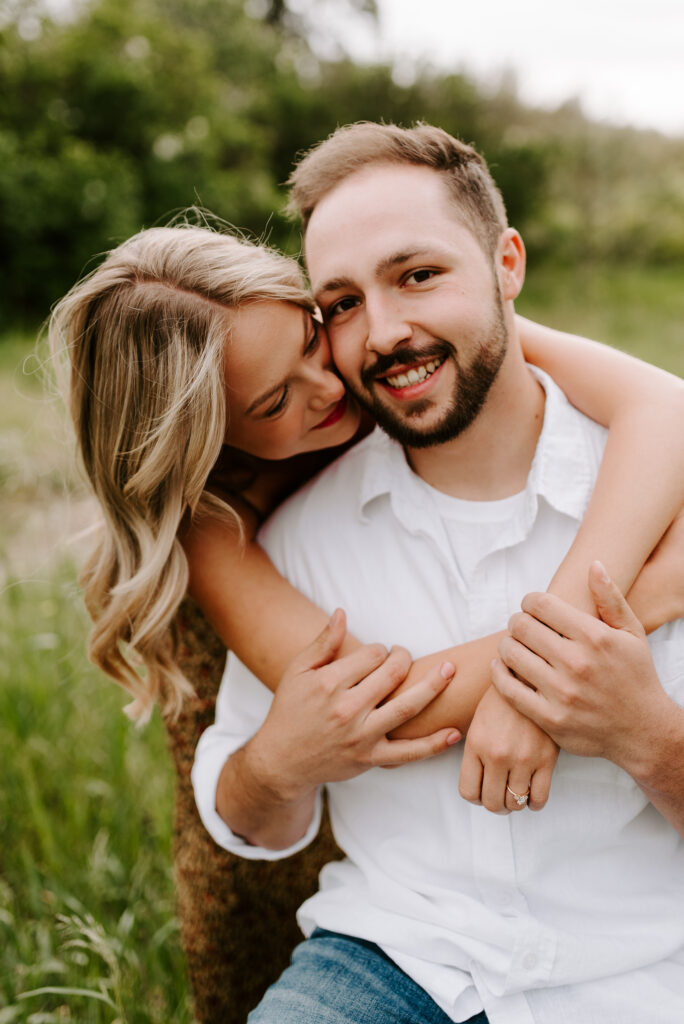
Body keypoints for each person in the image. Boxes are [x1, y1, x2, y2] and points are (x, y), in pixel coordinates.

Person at [192, 123, 684, 1024]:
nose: (383, 332)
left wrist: (647, 736)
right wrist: (278, 761)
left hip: (648, 968)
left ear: (508, 263)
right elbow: (247, 814)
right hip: (391, 961)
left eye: (418, 275)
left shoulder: (661, 500)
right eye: (340, 303)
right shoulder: (299, 538)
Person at [50, 218, 684, 805]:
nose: (329, 389)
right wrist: (642, 599)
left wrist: (569, 620)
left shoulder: (412, 362)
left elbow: (665, 408)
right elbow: (380, 705)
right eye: (275, 404)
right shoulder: (214, 529)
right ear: (206, 441)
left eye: (311, 339)